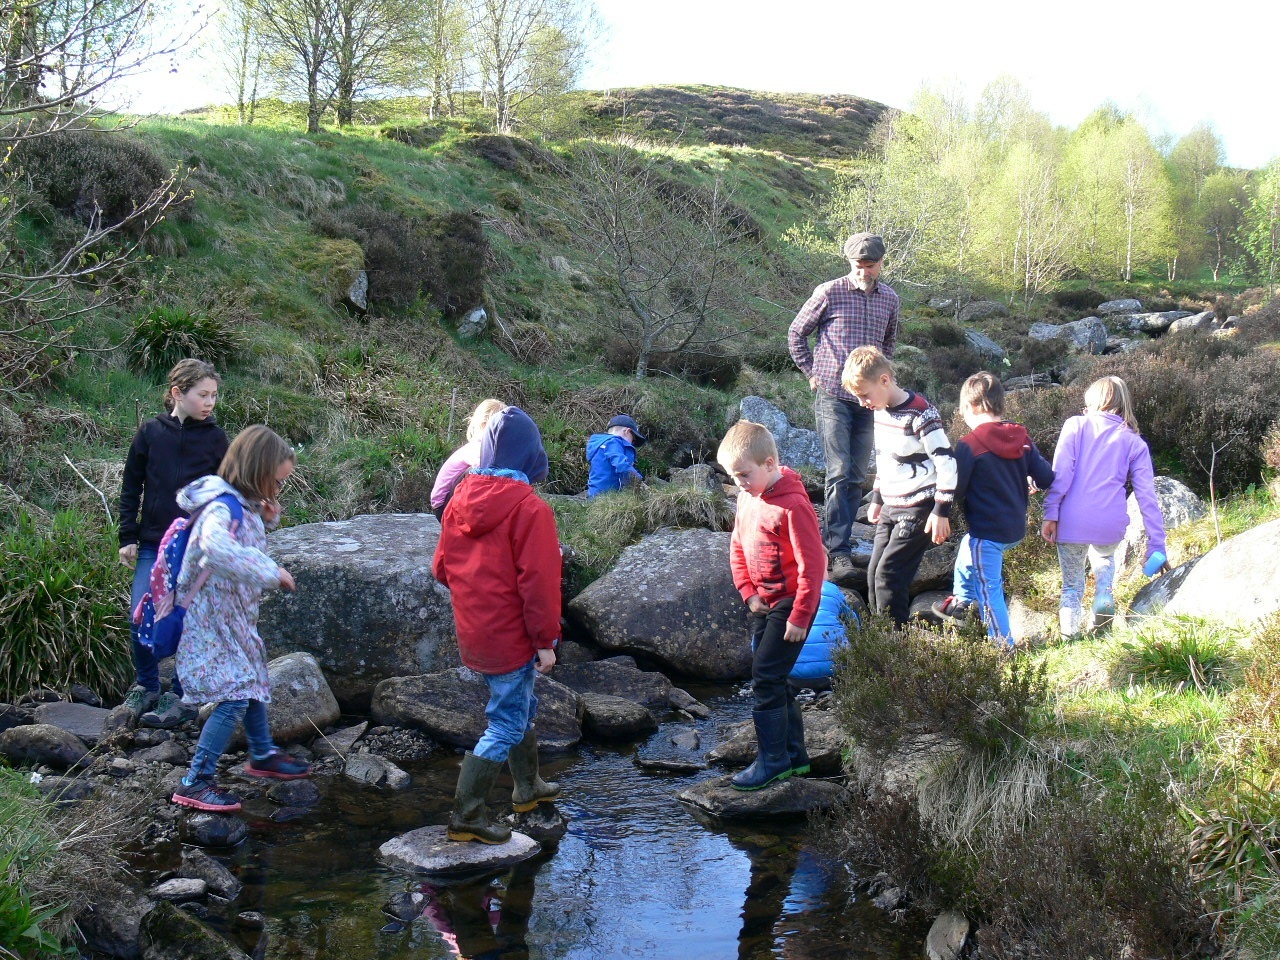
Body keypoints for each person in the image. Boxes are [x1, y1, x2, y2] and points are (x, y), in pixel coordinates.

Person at [432, 406, 562, 844]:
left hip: (475, 632)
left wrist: (477, 595)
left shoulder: (458, 499)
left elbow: (441, 569)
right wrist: (545, 641)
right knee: (506, 722)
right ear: (531, 455)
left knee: (520, 706)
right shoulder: (530, 509)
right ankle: (467, 815)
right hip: (512, 637)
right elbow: (539, 585)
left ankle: (528, 787)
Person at [170, 425, 309, 812]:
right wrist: (270, 571)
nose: (279, 489)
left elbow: (242, 535)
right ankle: (195, 781)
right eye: (276, 482)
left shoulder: (239, 504)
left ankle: (262, 753)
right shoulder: (221, 507)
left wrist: (264, 514)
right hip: (209, 621)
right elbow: (217, 547)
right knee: (235, 694)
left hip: (231, 617)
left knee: (251, 679)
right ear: (256, 471)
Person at [117, 358, 229, 728]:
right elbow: (131, 486)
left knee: (188, 621)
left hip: (196, 547)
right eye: (203, 395)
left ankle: (180, 696)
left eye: (214, 395)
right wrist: (127, 536)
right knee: (139, 615)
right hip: (152, 543)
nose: (210, 402)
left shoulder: (216, 439)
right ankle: (147, 686)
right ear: (178, 393)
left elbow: (226, 494)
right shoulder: (150, 432)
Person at [718, 420, 825, 791]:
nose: (739, 483)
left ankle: (773, 761)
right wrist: (748, 592)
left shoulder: (793, 505)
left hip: (792, 602)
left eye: (744, 475)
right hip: (764, 601)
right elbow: (737, 545)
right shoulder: (748, 498)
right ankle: (794, 756)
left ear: (768, 464)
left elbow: (814, 565)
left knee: (765, 676)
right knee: (776, 678)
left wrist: (801, 615)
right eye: (733, 477)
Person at [787, 233, 900, 584]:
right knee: (837, 472)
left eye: (870, 265)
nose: (864, 271)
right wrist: (812, 373)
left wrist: (881, 385)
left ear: (881, 263)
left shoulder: (890, 299)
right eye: (858, 265)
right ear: (849, 263)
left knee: (855, 475)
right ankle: (838, 552)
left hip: (869, 402)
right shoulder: (829, 292)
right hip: (833, 395)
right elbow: (796, 333)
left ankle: (842, 541)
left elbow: (889, 345)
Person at [934, 372, 1054, 649]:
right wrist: (1030, 480)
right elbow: (1047, 477)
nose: (961, 414)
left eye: (962, 409)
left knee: (990, 590)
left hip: (987, 533)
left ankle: (1003, 646)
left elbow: (956, 490)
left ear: (972, 406)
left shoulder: (969, 444)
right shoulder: (1021, 437)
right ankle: (961, 600)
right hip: (1015, 530)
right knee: (967, 548)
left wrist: (939, 511)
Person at [1042, 376, 1167, 638]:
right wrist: (1157, 544)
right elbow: (1147, 497)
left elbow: (1061, 475)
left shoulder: (1075, 425)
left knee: (1072, 585)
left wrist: (1050, 513)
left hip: (1072, 520)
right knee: (1104, 558)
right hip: (1110, 523)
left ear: (1092, 400)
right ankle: (1104, 596)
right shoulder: (1135, 442)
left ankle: (1069, 638)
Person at [841, 346, 956, 625]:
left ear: (884, 380)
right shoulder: (879, 411)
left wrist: (941, 511)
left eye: (865, 395)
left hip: (919, 506)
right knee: (873, 574)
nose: (862, 403)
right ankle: (881, 637)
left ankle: (895, 641)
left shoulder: (921, 413)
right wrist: (877, 498)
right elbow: (884, 458)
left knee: (889, 577)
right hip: (891, 505)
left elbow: (947, 463)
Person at [431, 398, 504, 521]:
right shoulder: (477, 448)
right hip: (443, 506)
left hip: (445, 502)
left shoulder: (482, 448)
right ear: (484, 425)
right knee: (481, 474)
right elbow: (485, 469)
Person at [789, 577, 859, 696]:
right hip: (831, 671)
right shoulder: (832, 589)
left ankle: (788, 697)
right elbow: (853, 622)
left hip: (793, 673)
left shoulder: (785, 590)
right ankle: (827, 692)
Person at [585, 414, 646, 496]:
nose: (632, 443)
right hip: (608, 496)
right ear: (627, 431)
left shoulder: (600, 444)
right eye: (633, 440)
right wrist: (639, 480)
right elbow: (621, 464)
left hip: (595, 494)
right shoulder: (614, 442)